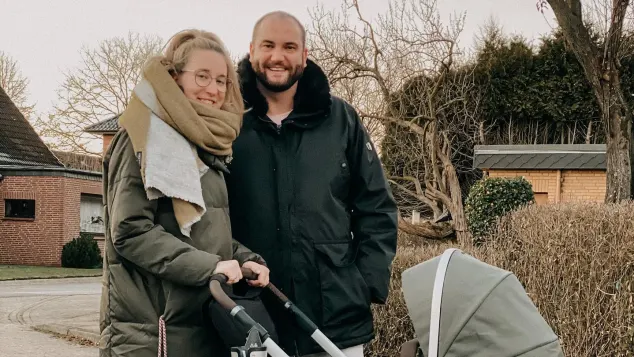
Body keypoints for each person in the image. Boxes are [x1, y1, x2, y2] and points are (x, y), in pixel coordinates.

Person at [225, 11, 399, 357]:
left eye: (290, 47)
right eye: (268, 45)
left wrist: (364, 284)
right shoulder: (226, 121)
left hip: (335, 318)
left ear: (304, 55)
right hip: (251, 316)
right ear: (251, 50)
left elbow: (377, 207)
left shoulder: (341, 119)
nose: (278, 57)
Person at [99, 29, 270, 357]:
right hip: (153, 334)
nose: (213, 89)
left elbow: (202, 233)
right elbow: (129, 231)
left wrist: (246, 260)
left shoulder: (207, 149)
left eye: (221, 80)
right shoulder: (141, 138)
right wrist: (210, 267)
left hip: (201, 327)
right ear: (174, 78)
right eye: (202, 76)